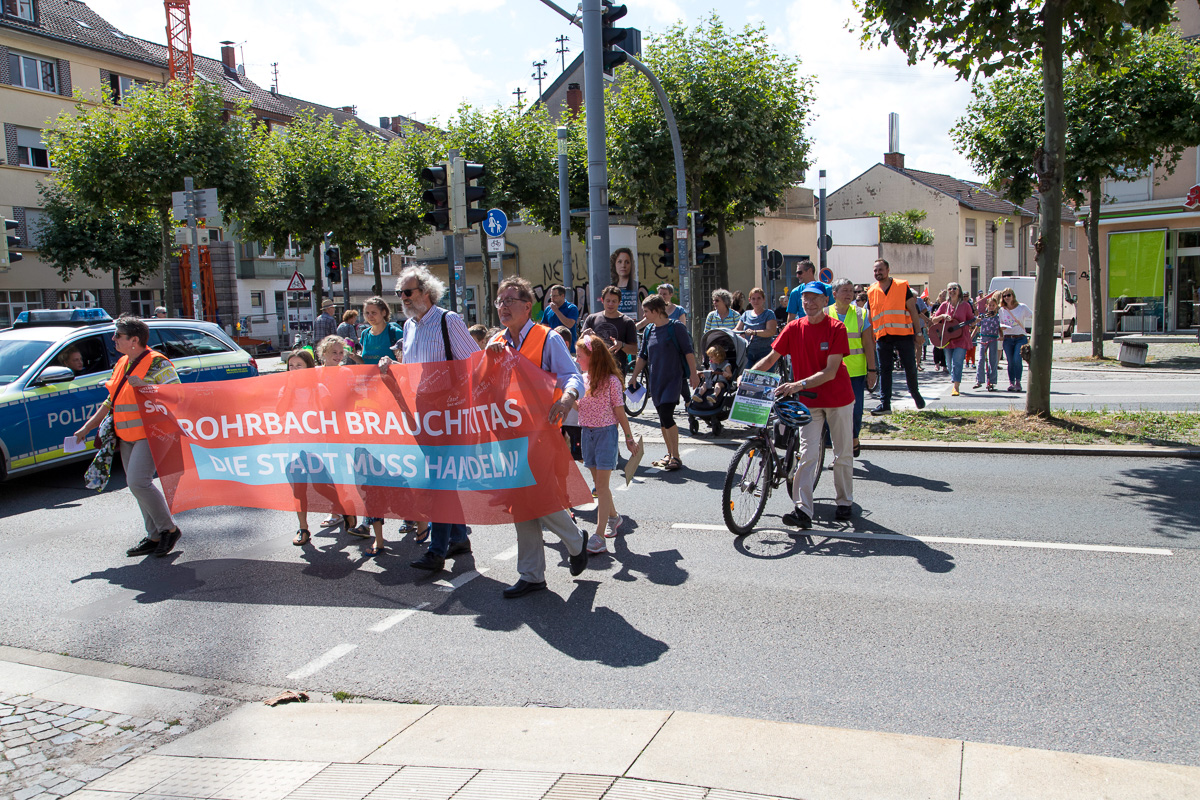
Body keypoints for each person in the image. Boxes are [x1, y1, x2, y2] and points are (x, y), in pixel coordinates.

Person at [486, 276, 591, 598]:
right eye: (499, 301)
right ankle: (532, 574)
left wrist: (567, 397)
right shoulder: (498, 342)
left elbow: (572, 375)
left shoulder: (546, 338)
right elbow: (485, 386)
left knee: (538, 498)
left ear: (526, 306)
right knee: (522, 502)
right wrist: (487, 363)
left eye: (509, 301)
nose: (502, 306)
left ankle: (574, 541)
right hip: (509, 434)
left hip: (542, 432)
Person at [379, 265, 480, 571]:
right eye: (399, 294)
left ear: (426, 292)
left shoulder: (449, 321)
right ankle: (459, 537)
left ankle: (437, 551)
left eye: (408, 292)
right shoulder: (409, 328)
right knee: (443, 478)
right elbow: (411, 372)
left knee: (439, 479)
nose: (403, 299)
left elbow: (475, 362)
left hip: (449, 410)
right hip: (424, 411)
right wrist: (390, 365)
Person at [73, 315, 182, 558]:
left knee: (137, 482)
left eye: (117, 335)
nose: (113, 339)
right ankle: (154, 535)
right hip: (126, 435)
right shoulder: (122, 362)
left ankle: (169, 530)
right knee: (137, 486)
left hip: (151, 434)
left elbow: (176, 397)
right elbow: (111, 401)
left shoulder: (158, 364)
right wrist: (87, 428)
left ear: (134, 340)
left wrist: (144, 386)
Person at [749, 282, 855, 527]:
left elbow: (830, 372)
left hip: (837, 398)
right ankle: (803, 510)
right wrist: (748, 377)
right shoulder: (794, 327)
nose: (810, 303)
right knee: (807, 454)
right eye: (805, 299)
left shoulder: (836, 328)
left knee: (842, 454)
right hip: (809, 401)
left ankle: (844, 502)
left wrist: (797, 385)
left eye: (815, 298)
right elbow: (771, 359)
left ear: (825, 300)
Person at [574, 333, 636, 554]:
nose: (576, 359)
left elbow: (619, 411)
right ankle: (615, 517)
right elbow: (581, 408)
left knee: (600, 487)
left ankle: (599, 535)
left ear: (593, 356)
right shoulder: (582, 378)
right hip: (587, 433)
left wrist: (629, 438)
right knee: (599, 484)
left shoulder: (611, 381)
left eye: (580, 355)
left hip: (606, 435)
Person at [627, 295, 701, 472]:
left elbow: (688, 352)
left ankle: (676, 456)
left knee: (667, 415)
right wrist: (634, 376)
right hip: (656, 380)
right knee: (662, 418)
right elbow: (643, 356)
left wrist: (693, 373)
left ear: (656, 311)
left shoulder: (676, 328)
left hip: (673, 379)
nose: (644, 316)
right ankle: (669, 453)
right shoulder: (648, 330)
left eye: (646, 312)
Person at [867, 258, 925, 415]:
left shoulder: (901, 286)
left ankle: (915, 393)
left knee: (910, 367)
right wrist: (871, 338)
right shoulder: (871, 291)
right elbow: (870, 316)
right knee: (885, 370)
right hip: (882, 336)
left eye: (880, 269)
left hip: (903, 334)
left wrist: (918, 333)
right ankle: (885, 404)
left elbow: (913, 310)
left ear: (888, 270)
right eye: (875, 270)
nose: (878, 273)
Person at [829, 278, 877, 457]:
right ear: (834, 294)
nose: (850, 294)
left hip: (855, 372)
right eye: (845, 290)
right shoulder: (825, 314)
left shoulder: (861, 314)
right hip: (831, 373)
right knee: (833, 413)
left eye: (852, 291)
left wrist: (872, 370)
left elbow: (868, 344)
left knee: (855, 412)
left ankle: (854, 437)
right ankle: (840, 452)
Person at [283, 349, 321, 546]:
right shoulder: (286, 388)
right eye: (291, 366)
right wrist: (288, 391)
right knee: (298, 488)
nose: (295, 369)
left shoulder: (318, 388)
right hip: (294, 445)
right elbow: (278, 412)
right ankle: (303, 527)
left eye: (299, 365)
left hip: (318, 446)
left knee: (323, 487)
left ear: (308, 367)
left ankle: (344, 510)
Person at [931, 283, 976, 396]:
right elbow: (934, 320)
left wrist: (976, 321)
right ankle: (954, 379)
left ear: (959, 291)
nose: (952, 290)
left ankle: (956, 386)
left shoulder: (965, 305)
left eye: (954, 288)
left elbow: (971, 320)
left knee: (957, 362)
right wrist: (942, 316)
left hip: (961, 338)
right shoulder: (944, 305)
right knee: (950, 364)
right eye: (949, 289)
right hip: (947, 339)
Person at [582, 286, 639, 373]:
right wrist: (584, 337)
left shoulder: (627, 322)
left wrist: (622, 345)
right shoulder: (592, 318)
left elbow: (634, 350)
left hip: (616, 370)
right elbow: (580, 345)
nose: (610, 304)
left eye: (614, 301)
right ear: (602, 300)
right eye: (608, 301)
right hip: (594, 368)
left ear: (619, 302)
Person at [998, 288, 1033, 392]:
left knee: (1017, 360)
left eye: (1008, 295)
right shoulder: (1002, 310)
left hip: (1020, 337)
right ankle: (1011, 383)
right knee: (1010, 361)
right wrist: (1001, 328)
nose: (1006, 298)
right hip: (1008, 338)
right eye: (1004, 296)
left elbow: (1033, 316)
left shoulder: (1021, 307)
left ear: (1013, 296)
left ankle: (1018, 382)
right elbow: (999, 323)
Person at [734, 287, 778, 367]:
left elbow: (770, 332)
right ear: (749, 300)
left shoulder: (769, 314)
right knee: (747, 378)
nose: (756, 301)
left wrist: (754, 332)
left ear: (763, 299)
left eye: (758, 298)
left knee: (761, 378)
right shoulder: (746, 314)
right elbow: (737, 329)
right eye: (753, 299)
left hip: (765, 354)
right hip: (748, 353)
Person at [358, 296, 404, 365]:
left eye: (373, 313)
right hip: (370, 376)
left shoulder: (395, 333)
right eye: (367, 313)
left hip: (391, 375)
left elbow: (405, 362)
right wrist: (352, 355)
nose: (370, 316)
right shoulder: (365, 334)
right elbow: (365, 361)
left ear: (384, 313)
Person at [973, 293, 1002, 391]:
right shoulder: (983, 316)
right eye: (990, 305)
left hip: (993, 339)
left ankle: (992, 382)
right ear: (986, 306)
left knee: (992, 360)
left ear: (996, 306)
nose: (991, 307)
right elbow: (977, 326)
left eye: (993, 305)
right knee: (981, 359)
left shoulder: (997, 317)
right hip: (983, 339)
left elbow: (999, 328)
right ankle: (979, 380)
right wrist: (971, 337)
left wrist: (1001, 336)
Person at [689, 343, 732, 408]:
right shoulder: (712, 364)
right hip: (712, 380)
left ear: (718, 356)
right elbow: (708, 373)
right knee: (705, 383)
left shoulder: (726, 365)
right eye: (709, 356)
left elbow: (730, 375)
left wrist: (727, 374)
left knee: (718, 384)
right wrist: (702, 374)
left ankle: (714, 396)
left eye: (711, 357)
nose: (709, 358)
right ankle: (699, 395)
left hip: (722, 382)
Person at [540, 284, 579, 353]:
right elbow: (544, 327)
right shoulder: (548, 309)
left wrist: (556, 311)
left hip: (569, 349)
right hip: (553, 348)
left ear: (562, 296)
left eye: (555, 296)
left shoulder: (571, 308)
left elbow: (570, 324)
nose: (552, 299)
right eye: (551, 296)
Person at [610, 247, 639, 317]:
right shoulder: (610, 287)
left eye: (627, 262)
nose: (623, 266)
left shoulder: (636, 286)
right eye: (619, 262)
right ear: (614, 264)